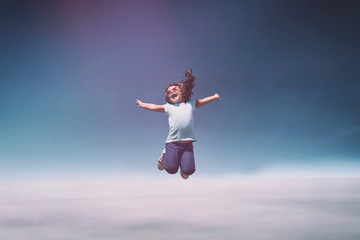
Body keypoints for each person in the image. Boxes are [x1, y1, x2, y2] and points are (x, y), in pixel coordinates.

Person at [136, 68, 221, 179]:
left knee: (188, 172)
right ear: (168, 97)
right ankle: (164, 155)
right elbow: (154, 107)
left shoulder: (190, 104)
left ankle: (184, 167)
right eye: (169, 92)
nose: (172, 92)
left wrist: (214, 97)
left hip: (187, 145)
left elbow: (203, 101)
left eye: (175, 89)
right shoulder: (169, 107)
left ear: (182, 91)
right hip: (173, 143)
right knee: (171, 170)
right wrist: (143, 105)